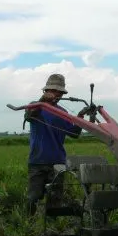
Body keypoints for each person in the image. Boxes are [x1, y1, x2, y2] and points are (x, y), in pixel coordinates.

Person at [23, 73, 85, 216]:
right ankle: (28, 225)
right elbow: (29, 116)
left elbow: (74, 134)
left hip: (58, 162)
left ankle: (52, 227)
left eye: (59, 92)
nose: (56, 94)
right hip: (37, 161)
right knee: (33, 197)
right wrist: (42, 100)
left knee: (55, 199)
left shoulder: (62, 112)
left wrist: (81, 117)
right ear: (46, 91)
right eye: (53, 90)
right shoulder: (35, 105)